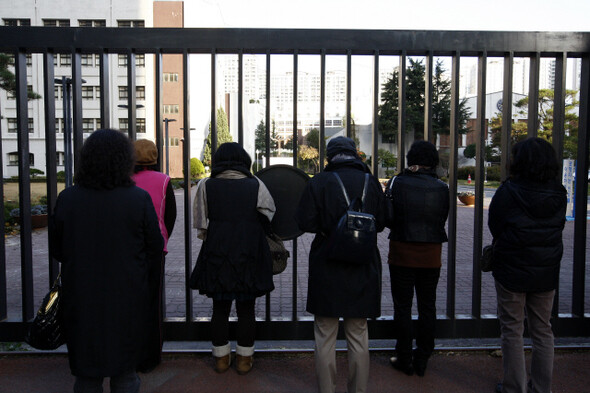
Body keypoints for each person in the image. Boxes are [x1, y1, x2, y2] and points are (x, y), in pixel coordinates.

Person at [50, 129, 164, 393]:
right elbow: (155, 247)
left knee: (86, 374)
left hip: (81, 295)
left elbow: (57, 248)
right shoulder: (138, 198)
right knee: (125, 373)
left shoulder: (68, 198)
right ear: (124, 160)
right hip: (127, 294)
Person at [295, 136, 386, 393]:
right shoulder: (371, 182)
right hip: (363, 262)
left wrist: (330, 226)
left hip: (327, 261)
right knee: (358, 332)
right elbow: (381, 222)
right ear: (354, 155)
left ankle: (327, 389)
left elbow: (305, 222)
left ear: (329, 156)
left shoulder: (320, 182)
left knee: (325, 333)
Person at [190, 142, 275, 375]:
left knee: (220, 307)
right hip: (249, 251)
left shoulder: (206, 184)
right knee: (247, 308)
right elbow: (269, 213)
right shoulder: (256, 184)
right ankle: (245, 360)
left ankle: (220, 358)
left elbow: (200, 222)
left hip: (217, 251)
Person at [489, 137, 566, 393]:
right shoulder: (559, 192)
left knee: (512, 328)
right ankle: (542, 388)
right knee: (543, 329)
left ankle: (514, 387)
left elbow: (495, 226)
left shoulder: (508, 191)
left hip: (512, 267)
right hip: (545, 270)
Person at [384, 140, 449, 377]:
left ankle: (403, 356)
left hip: (401, 251)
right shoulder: (442, 187)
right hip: (431, 253)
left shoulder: (397, 182)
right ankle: (423, 357)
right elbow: (443, 217)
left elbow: (387, 218)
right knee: (427, 305)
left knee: (402, 306)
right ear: (433, 161)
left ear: (411, 159)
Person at [132, 138, 177, 372]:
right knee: (153, 302)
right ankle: (151, 356)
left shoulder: (123, 181)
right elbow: (171, 215)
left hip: (127, 248)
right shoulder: (164, 180)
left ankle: (129, 350)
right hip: (155, 247)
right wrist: (164, 237)